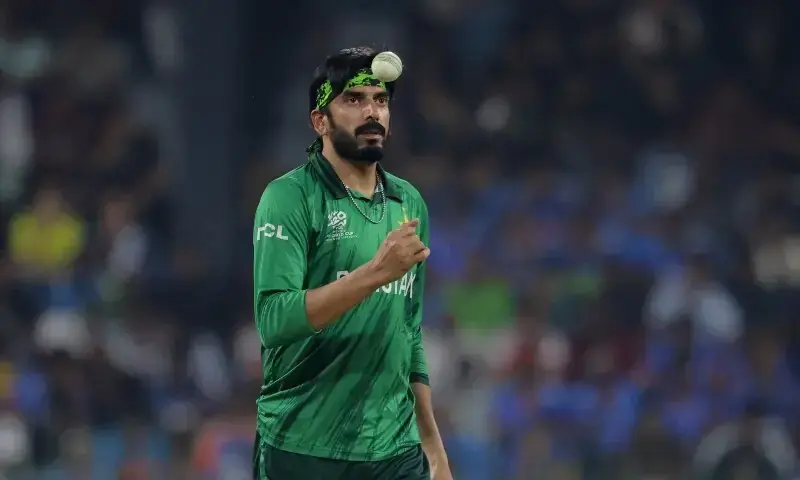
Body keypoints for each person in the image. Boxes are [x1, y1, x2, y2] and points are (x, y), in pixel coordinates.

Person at [251, 46, 452, 480]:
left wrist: (433, 448)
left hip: (394, 450)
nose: (372, 112)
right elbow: (273, 320)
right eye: (353, 100)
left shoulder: (408, 202)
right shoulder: (290, 198)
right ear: (319, 121)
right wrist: (376, 273)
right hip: (302, 446)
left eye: (381, 101)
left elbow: (409, 333)